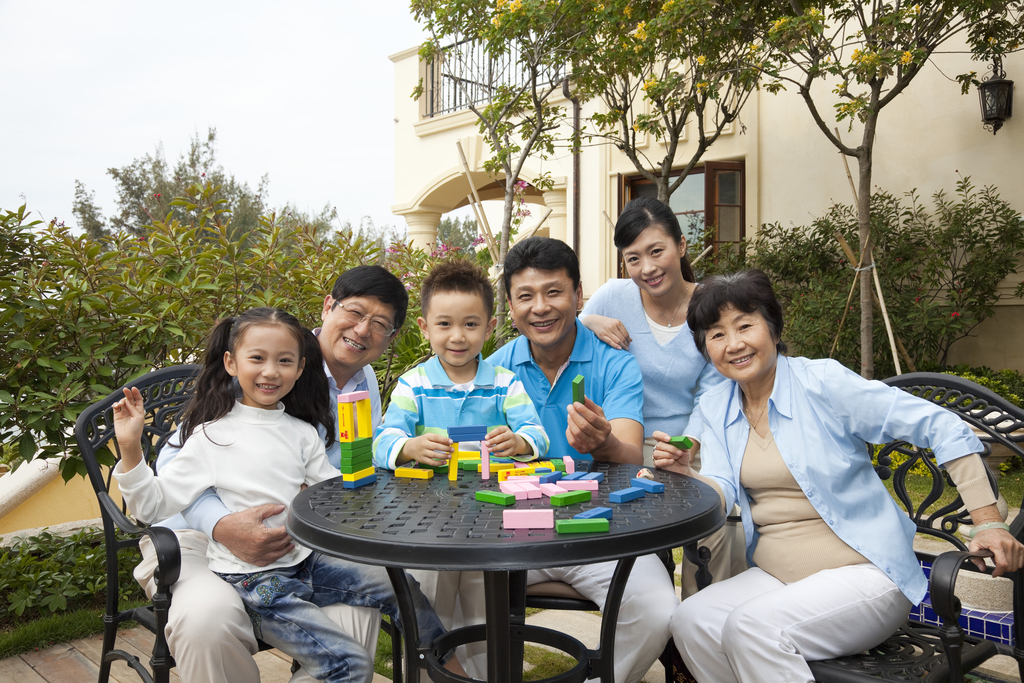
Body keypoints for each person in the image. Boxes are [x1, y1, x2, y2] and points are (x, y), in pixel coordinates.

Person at [662, 270, 1024, 682]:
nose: (735, 344)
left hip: (867, 576)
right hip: (777, 578)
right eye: (717, 334)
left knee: (752, 628)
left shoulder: (822, 383)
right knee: (691, 619)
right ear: (705, 347)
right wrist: (686, 474)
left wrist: (989, 521)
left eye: (745, 325)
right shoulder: (717, 405)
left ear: (774, 328)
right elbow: (723, 490)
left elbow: (942, 426)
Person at [113, 307, 462, 683]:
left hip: (308, 562)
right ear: (231, 363)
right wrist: (131, 447)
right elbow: (151, 505)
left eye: (284, 361)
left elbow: (334, 493)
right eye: (257, 359)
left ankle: (445, 668)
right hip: (257, 582)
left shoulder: (301, 431)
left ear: (299, 369)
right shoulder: (209, 437)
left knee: (402, 586)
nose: (270, 371)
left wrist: (399, 489)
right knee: (350, 664)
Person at [487, 236, 677, 683]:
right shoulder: (493, 372)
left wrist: (602, 442)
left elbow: (630, 454)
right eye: (526, 296)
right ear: (511, 307)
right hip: (509, 535)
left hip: (598, 531)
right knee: (447, 588)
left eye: (554, 292)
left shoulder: (615, 364)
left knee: (657, 607)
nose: (540, 307)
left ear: (577, 297)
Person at [373, 258, 548, 678]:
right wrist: (409, 446)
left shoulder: (505, 383)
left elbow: (539, 436)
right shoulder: (412, 385)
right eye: (445, 324)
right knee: (431, 602)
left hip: (490, 520)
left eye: (471, 324)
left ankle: (490, 672)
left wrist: (519, 441)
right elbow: (382, 442)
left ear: (489, 328)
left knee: (483, 606)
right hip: (427, 522)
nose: (457, 336)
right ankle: (433, 669)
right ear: (424, 327)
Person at [580, 197, 743, 596]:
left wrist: (683, 449)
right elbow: (561, 330)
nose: (647, 268)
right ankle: (650, 613)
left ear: (681, 246)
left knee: (722, 515)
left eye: (657, 251)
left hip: (694, 442)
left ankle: (699, 625)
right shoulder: (613, 297)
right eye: (633, 258)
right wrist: (588, 319)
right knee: (626, 515)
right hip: (623, 441)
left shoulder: (710, 306)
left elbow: (714, 394)